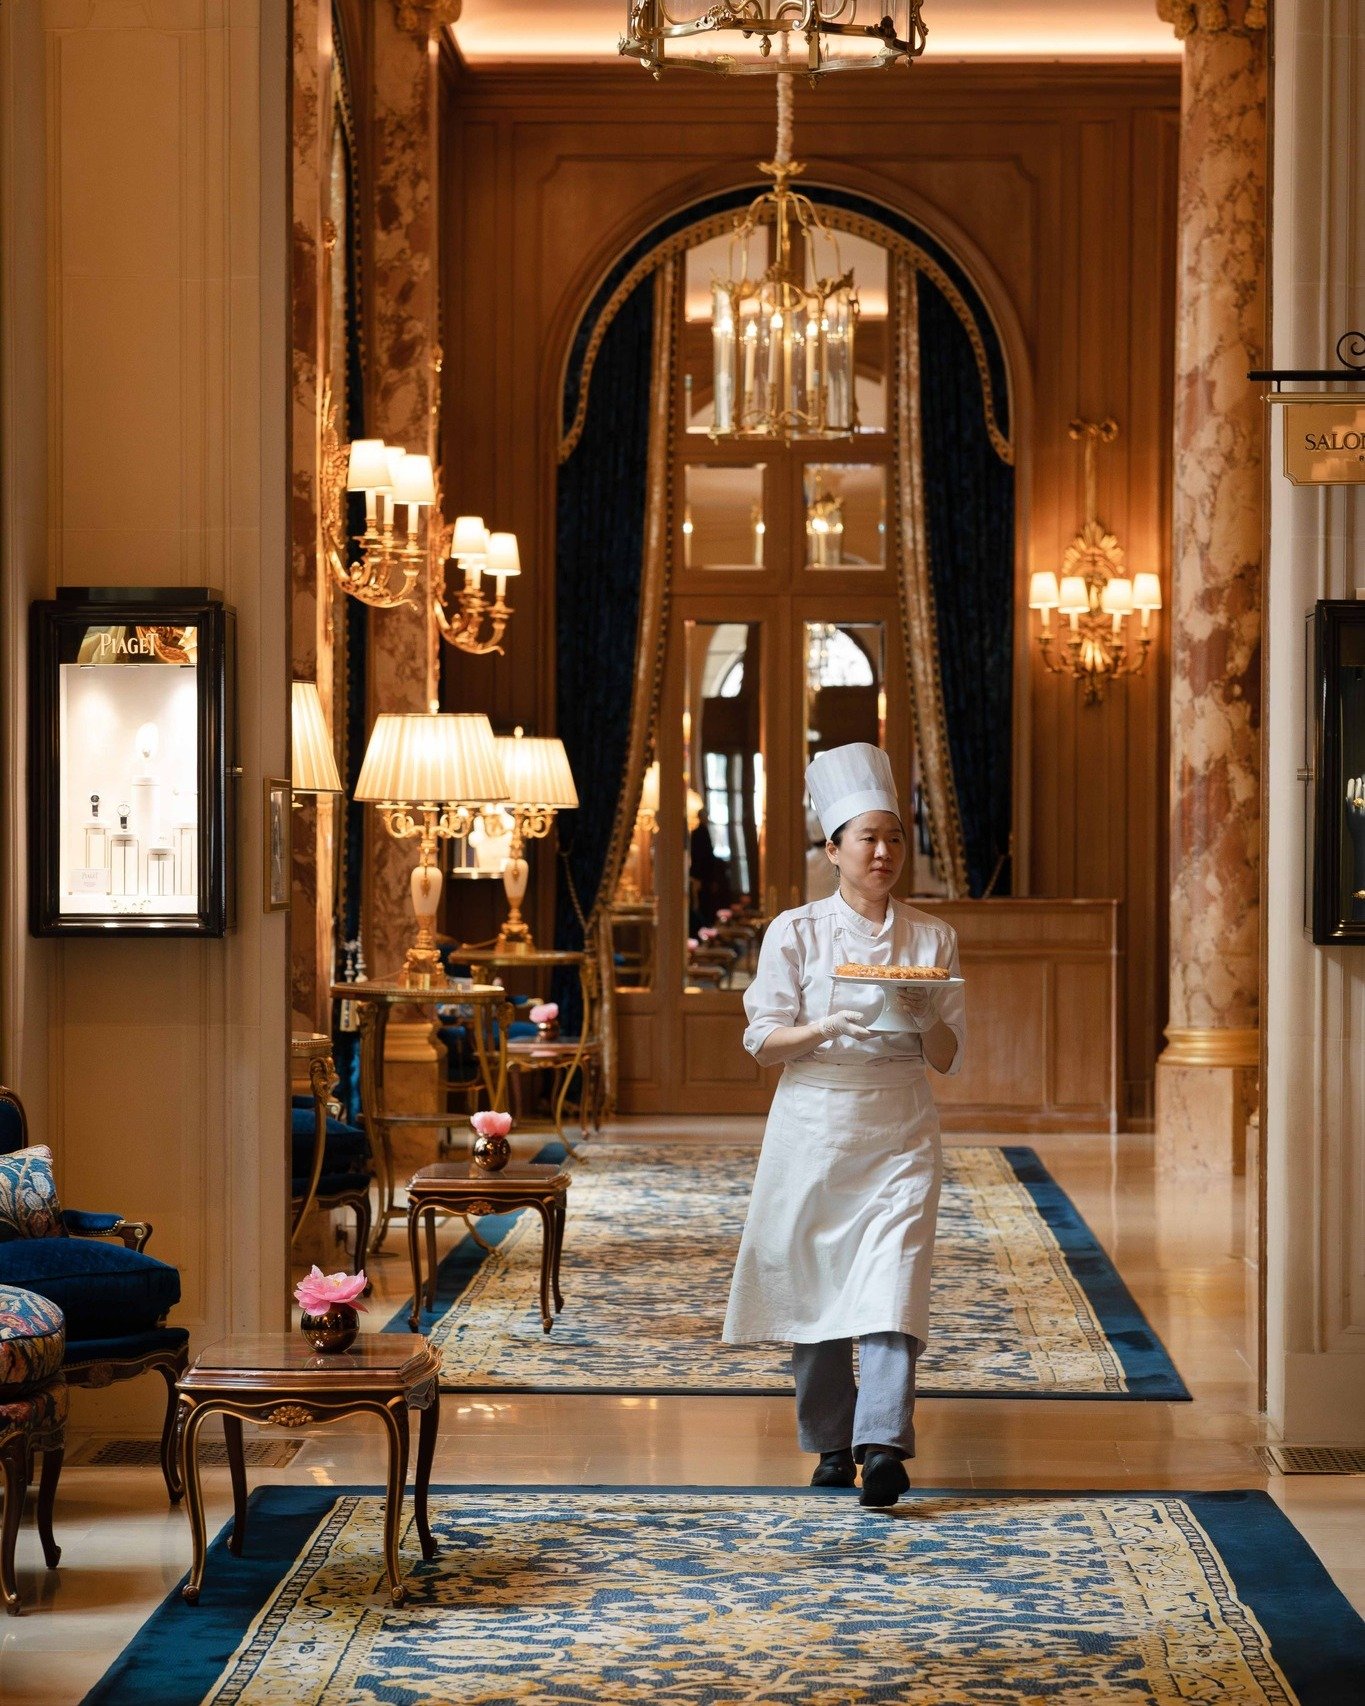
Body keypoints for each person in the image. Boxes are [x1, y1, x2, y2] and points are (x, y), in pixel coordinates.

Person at [722, 742, 965, 1508]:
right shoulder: (794, 932)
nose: (883, 852)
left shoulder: (931, 937)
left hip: (899, 1126)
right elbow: (763, 1042)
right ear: (832, 850)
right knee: (816, 1282)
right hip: (813, 1125)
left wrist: (923, 1016)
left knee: (895, 1279)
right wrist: (823, 1026)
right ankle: (831, 1442)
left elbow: (947, 1056)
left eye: (894, 838)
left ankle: (882, 1444)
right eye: (867, 838)